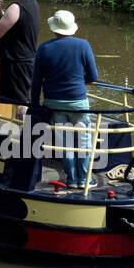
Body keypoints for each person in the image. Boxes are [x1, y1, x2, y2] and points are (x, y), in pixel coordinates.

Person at [29, 10, 99, 190]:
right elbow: (93, 76)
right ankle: (84, 180)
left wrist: (34, 104)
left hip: (54, 103)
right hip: (78, 103)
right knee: (83, 141)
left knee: (65, 143)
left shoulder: (44, 48)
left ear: (54, 28)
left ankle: (71, 179)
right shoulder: (83, 45)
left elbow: (36, 81)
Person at [0, 0, 39, 112]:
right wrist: (0, 12)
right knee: (22, 102)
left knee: (21, 106)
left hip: (16, 65)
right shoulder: (33, 4)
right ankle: (24, 131)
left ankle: (24, 133)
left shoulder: (16, 7)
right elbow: (14, 26)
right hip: (26, 62)